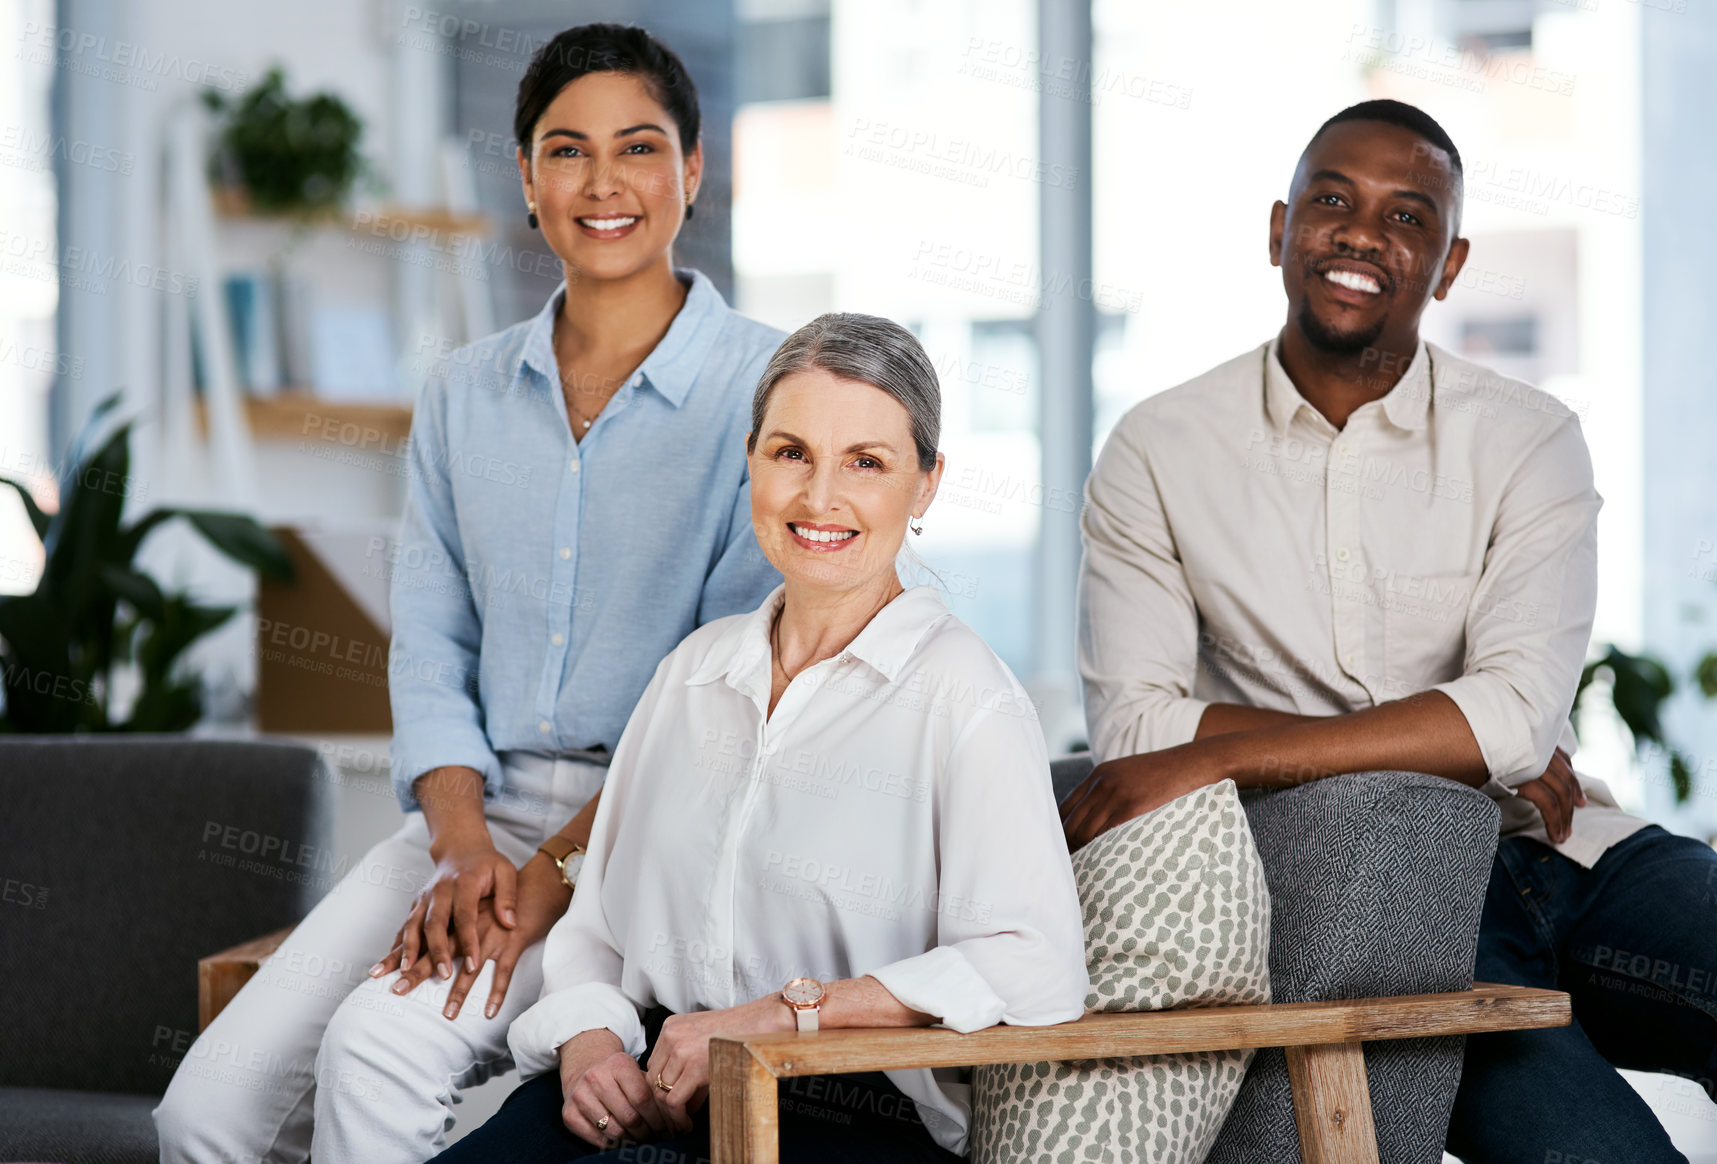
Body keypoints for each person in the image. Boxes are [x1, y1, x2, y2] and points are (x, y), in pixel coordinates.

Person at [154, 24, 785, 1163]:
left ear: (693, 170)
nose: (603, 184)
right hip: (463, 821)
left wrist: (547, 881)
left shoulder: (769, 392)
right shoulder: (461, 391)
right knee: (205, 1115)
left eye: (638, 148)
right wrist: (459, 851)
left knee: (375, 1054)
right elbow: (431, 642)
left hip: (639, 835)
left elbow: (717, 707)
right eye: (565, 150)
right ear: (526, 177)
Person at [1066, 98, 1716, 1162]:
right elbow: (1137, 731)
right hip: (1385, 912)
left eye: (1407, 216)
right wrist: (1445, 751)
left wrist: (1226, 751)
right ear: (1279, 231)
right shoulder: (1158, 450)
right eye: (1332, 201)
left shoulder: (1528, 439)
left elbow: (1509, 715)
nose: (1363, 234)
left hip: (1559, 849)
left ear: (1448, 264)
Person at [430, 313, 1089, 1163]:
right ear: (750, 462)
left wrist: (782, 1017)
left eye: (866, 463)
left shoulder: (965, 696)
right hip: (641, 1077)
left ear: (925, 485)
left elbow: (1034, 964)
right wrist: (587, 1041)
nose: (819, 498)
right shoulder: (693, 672)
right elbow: (597, 925)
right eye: (791, 454)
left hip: (843, 1107)